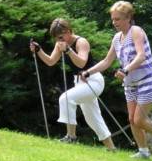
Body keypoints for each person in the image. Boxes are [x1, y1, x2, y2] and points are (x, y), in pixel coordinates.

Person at [82, 1, 152, 159]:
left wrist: (125, 70)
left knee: (139, 119)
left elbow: (141, 56)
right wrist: (87, 72)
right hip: (131, 83)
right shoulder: (117, 38)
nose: (114, 22)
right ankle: (143, 151)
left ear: (128, 18)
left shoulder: (136, 31)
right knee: (132, 119)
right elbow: (106, 61)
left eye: (117, 19)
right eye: (113, 19)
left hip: (147, 80)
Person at [29, 18, 116, 149]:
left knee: (65, 98)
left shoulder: (81, 42)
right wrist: (39, 50)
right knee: (92, 118)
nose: (59, 40)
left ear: (69, 31)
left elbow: (81, 62)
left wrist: (69, 50)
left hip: (92, 80)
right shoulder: (60, 44)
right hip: (80, 82)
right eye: (56, 38)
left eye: (61, 36)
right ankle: (112, 148)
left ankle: (71, 137)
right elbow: (51, 61)